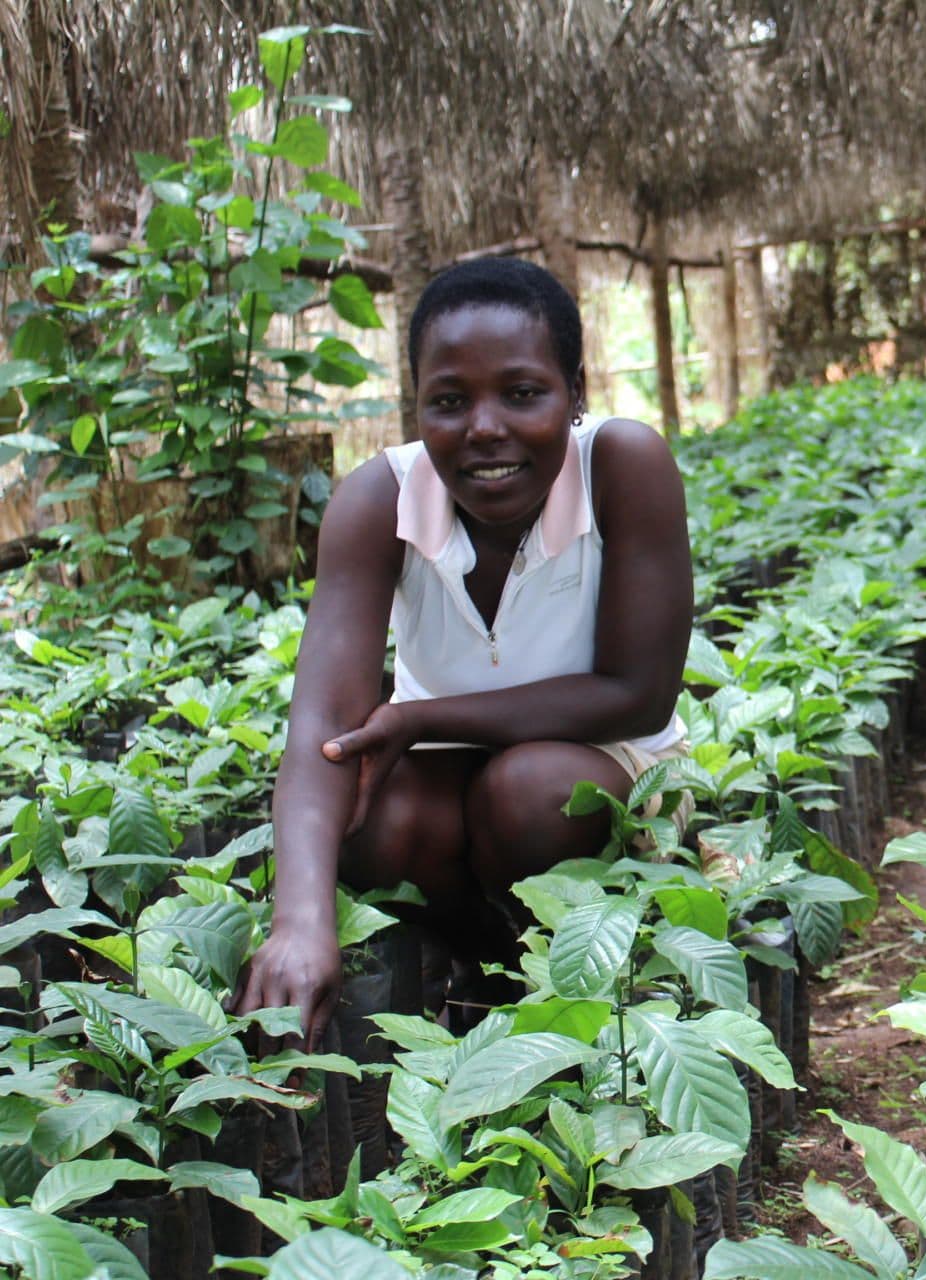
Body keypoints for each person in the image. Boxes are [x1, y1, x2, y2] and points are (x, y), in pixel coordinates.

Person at [239, 257, 693, 1044]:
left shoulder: (622, 464)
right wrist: (301, 923)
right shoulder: (377, 498)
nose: (484, 429)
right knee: (369, 819)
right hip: (448, 776)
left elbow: (637, 694)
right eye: (449, 402)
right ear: (415, 405)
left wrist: (422, 715)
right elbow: (323, 723)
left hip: (605, 763)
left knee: (531, 792)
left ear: (575, 393)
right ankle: (473, 963)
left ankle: (558, 982)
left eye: (522, 394)